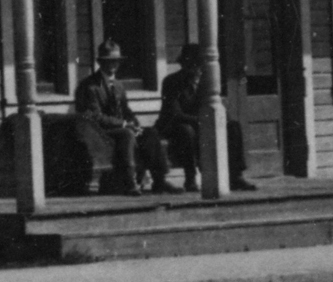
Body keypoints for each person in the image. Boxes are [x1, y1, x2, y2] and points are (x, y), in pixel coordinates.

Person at [138, 40, 256, 192]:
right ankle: (190, 178)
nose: (196, 69)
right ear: (184, 65)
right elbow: (175, 114)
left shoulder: (208, 83)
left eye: (199, 65)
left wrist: (219, 121)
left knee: (233, 126)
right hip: (173, 127)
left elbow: (220, 109)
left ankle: (235, 176)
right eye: (191, 65)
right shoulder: (172, 82)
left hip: (200, 126)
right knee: (186, 130)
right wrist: (203, 122)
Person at [71, 40, 143, 195]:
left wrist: (134, 122)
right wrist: (124, 124)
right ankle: (130, 181)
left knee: (150, 134)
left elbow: (126, 109)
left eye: (116, 61)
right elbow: (95, 116)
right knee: (127, 134)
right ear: (100, 62)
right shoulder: (90, 86)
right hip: (98, 132)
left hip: (118, 128)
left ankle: (159, 180)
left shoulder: (118, 85)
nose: (113, 65)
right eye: (109, 61)